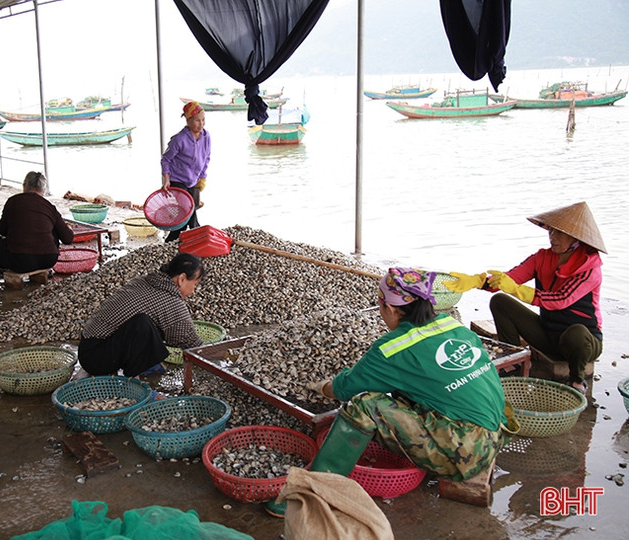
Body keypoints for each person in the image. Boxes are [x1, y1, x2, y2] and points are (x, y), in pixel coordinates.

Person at [267, 267, 515, 517]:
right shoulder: (454, 327)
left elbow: (344, 389)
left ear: (392, 308)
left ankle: (310, 493)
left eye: (380, 304)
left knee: (364, 405)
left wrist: (323, 387)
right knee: (402, 391)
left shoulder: (392, 348)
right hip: (497, 434)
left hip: (469, 453)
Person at [444, 201, 606, 395]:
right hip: (549, 335)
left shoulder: (590, 267)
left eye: (559, 233)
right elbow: (510, 278)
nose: (552, 237)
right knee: (501, 302)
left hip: (584, 342)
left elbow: (560, 299)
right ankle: (511, 362)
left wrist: (518, 291)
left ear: (576, 237)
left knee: (576, 333)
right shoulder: (542, 257)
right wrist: (477, 281)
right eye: (550, 231)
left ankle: (577, 381)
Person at [78, 253, 205, 377]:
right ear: (182, 279)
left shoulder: (146, 280)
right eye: (195, 284)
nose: (193, 290)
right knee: (141, 323)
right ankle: (135, 383)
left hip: (89, 345)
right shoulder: (170, 301)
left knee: (150, 324)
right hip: (95, 357)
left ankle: (146, 364)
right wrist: (212, 354)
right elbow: (189, 340)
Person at [0, 171, 74, 282]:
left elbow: (2, 230)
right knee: (52, 227)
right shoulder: (49, 207)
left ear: (24, 185)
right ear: (44, 189)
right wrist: (69, 227)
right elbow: (67, 238)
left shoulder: (13, 201)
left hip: (20, 261)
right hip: (48, 260)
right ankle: (45, 270)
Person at [160, 101, 211, 242]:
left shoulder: (206, 137)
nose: (201, 124)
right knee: (189, 211)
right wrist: (167, 179)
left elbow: (206, 158)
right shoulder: (179, 139)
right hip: (177, 180)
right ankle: (200, 235)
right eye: (197, 120)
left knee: (183, 217)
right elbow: (165, 160)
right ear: (188, 121)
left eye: (203, 120)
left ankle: (170, 242)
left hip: (194, 181)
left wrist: (202, 177)